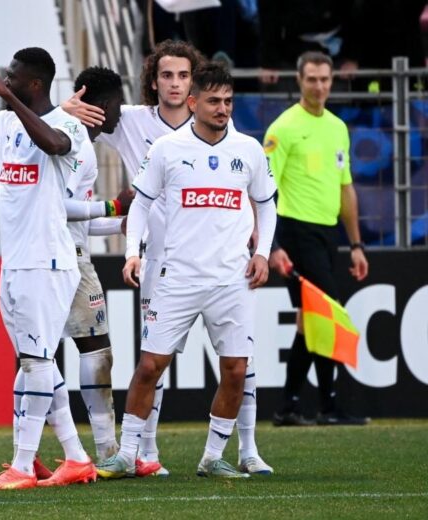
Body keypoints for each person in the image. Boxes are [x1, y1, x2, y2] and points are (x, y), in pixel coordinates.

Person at [65, 39, 273, 476]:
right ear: (155, 82)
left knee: (239, 366)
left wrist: (262, 251)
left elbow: (265, 201)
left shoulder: (247, 149)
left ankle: (238, 451)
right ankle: (137, 453)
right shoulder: (147, 134)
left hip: (229, 273)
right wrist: (133, 252)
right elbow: (135, 198)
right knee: (150, 364)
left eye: (227, 101)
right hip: (168, 268)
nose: (176, 84)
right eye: (167, 75)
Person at [0, 47, 97, 490]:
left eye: (13, 76)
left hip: (46, 262)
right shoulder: (8, 122)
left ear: (33, 84)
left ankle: (23, 466)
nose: (4, 80)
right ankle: (75, 457)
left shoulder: (67, 125)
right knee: (39, 362)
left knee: (34, 361)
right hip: (15, 261)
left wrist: (6, 98)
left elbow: (51, 145)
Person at [265, 51, 369, 426]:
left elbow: (346, 188)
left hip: (328, 233)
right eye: (312, 79)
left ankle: (290, 406)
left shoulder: (338, 127)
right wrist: (273, 246)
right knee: (326, 311)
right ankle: (326, 405)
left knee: (310, 320)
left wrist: (356, 244)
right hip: (295, 230)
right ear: (299, 80)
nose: (320, 86)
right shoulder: (283, 128)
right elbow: (263, 192)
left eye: (325, 79)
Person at [56, 66, 127, 466]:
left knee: (37, 356)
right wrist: (116, 206)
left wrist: (119, 222)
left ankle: (27, 453)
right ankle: (104, 450)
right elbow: (59, 208)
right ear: (101, 105)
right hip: (66, 259)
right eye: (117, 104)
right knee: (96, 349)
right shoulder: (76, 143)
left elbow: (76, 214)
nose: (120, 114)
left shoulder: (64, 132)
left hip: (47, 254)